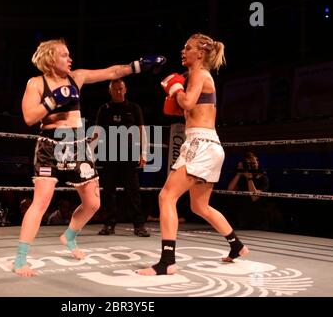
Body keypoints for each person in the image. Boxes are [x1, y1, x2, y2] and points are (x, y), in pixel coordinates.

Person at [13, 38, 166, 277]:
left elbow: (111, 72)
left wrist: (137, 66)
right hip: (50, 146)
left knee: (93, 203)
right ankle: (21, 259)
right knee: (41, 202)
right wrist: (52, 100)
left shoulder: (77, 77)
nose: (70, 58)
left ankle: (69, 236)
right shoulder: (35, 83)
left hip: (77, 144)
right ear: (51, 58)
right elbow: (29, 117)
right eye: (64, 54)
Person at [137, 33, 248, 276]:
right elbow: (188, 110)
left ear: (200, 53)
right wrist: (176, 95)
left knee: (166, 197)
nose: (183, 51)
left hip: (201, 143)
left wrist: (175, 89)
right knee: (199, 206)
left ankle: (167, 261)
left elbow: (186, 103)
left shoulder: (199, 73)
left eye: (187, 47)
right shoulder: (199, 77)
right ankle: (236, 245)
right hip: (210, 144)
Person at [93, 79, 150, 237]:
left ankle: (139, 226)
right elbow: (97, 132)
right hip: (109, 154)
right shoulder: (104, 109)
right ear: (110, 91)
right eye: (115, 89)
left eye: (121, 89)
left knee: (133, 191)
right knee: (108, 191)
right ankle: (109, 225)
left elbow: (141, 131)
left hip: (129, 155)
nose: (118, 92)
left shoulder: (133, 108)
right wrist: (90, 154)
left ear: (125, 90)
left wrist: (143, 153)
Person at [227, 151, 275, 230]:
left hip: (259, 218)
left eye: (253, 163)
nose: (251, 166)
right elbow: (230, 190)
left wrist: (249, 178)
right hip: (243, 216)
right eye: (249, 164)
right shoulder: (242, 177)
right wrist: (239, 173)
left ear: (258, 163)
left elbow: (254, 197)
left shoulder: (263, 177)